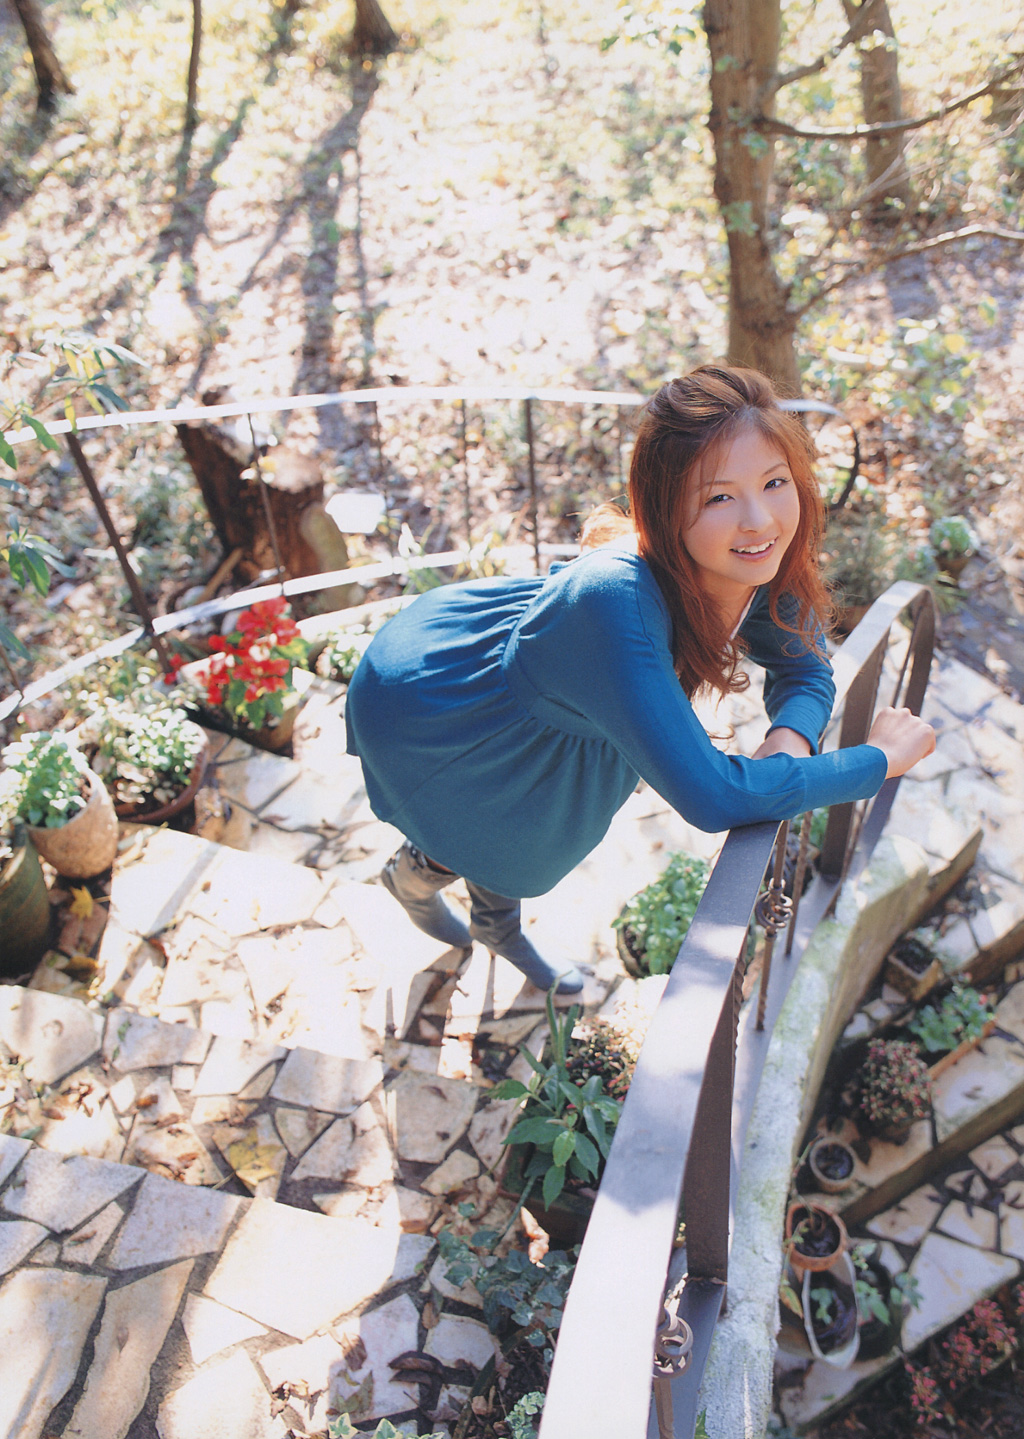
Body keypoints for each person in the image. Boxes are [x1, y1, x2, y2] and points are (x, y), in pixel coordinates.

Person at [345, 366, 934, 994]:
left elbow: (807, 664)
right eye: (719, 497)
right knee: (477, 828)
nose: (760, 519)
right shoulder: (613, 600)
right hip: (458, 715)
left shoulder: (756, 557)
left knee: (516, 840)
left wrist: (788, 739)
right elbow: (716, 797)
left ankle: (493, 925)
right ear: (665, 506)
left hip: (565, 728)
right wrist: (876, 761)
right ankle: (417, 876)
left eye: (774, 482)